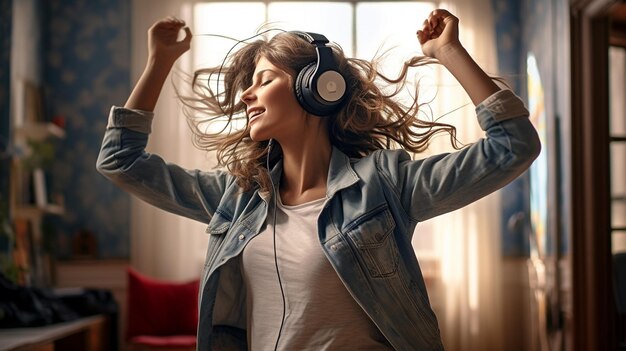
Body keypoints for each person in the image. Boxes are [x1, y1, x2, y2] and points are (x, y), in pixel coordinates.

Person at [97, 9, 540, 351]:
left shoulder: (384, 184)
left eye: (264, 79)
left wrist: (449, 52)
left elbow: (513, 146)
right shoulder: (238, 200)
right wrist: (159, 62)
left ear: (318, 88)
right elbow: (120, 160)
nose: (248, 94)